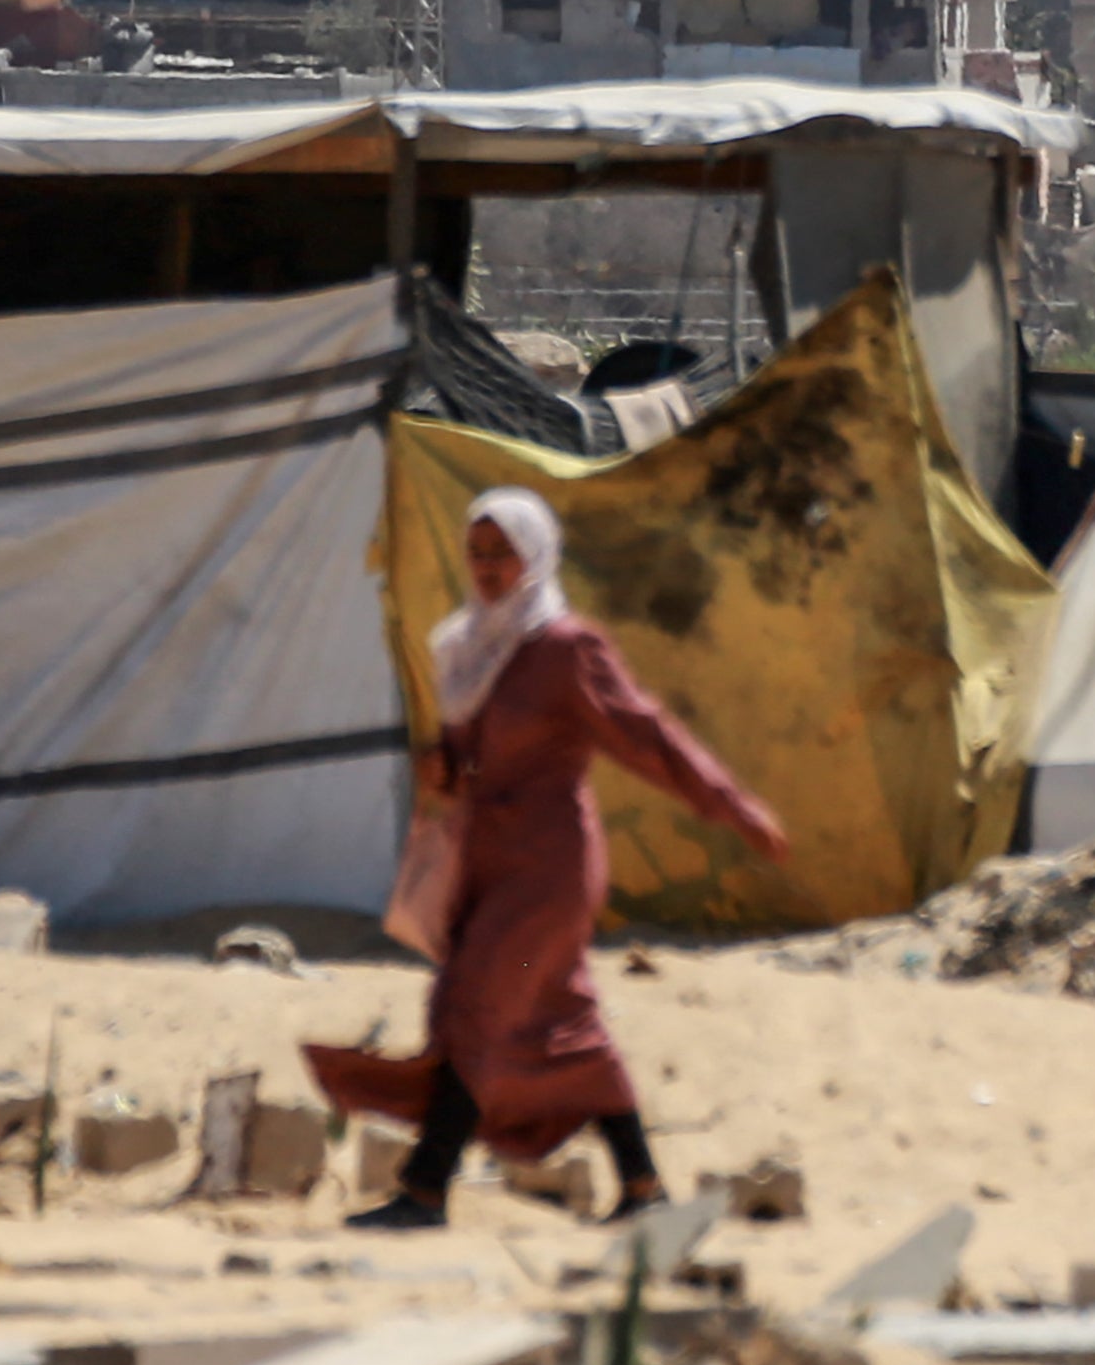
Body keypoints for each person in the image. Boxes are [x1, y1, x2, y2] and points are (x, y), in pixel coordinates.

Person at [306, 486, 788, 1229]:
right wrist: (443, 769)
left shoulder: (565, 647)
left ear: (536, 556)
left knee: (477, 1005)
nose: (491, 566)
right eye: (479, 550)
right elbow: (468, 764)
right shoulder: (467, 647)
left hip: (548, 869)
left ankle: (426, 1187)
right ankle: (641, 1188)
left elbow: (644, 732)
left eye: (505, 551)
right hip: (487, 863)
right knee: (560, 1016)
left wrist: (729, 803)